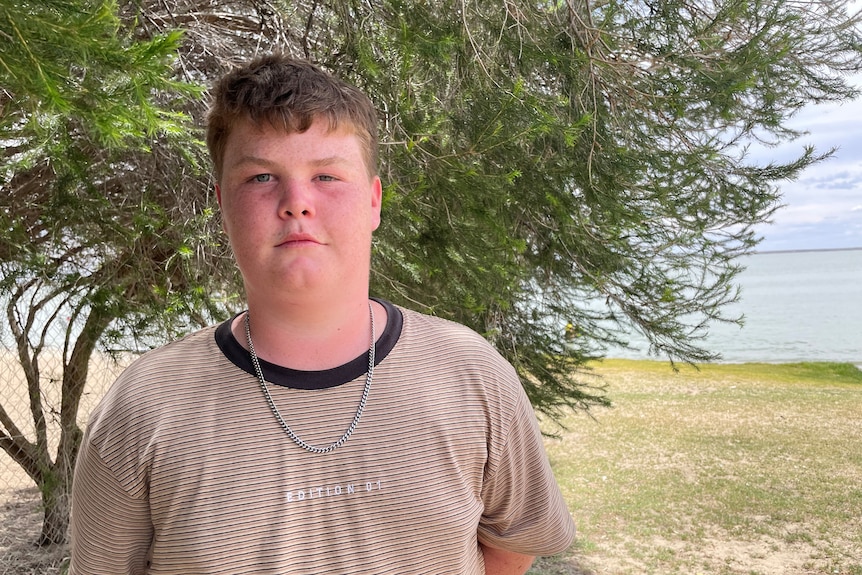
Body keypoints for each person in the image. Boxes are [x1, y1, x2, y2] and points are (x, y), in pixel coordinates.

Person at [69, 54, 576, 575]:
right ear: (222, 204)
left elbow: (513, 545)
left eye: (327, 176)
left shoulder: (473, 373)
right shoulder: (143, 405)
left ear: (374, 202)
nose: (296, 202)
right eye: (262, 176)